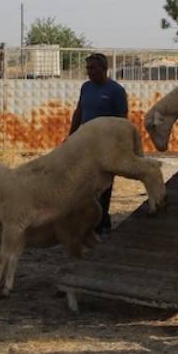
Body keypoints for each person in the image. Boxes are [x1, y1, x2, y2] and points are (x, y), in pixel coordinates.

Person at [69, 52, 129, 234]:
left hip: (106, 146)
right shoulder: (86, 88)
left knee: (103, 185)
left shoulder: (116, 91)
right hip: (85, 144)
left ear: (104, 69)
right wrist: (71, 136)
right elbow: (79, 112)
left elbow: (122, 120)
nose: (89, 72)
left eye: (93, 68)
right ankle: (89, 221)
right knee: (85, 183)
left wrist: (118, 146)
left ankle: (102, 221)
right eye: (87, 68)